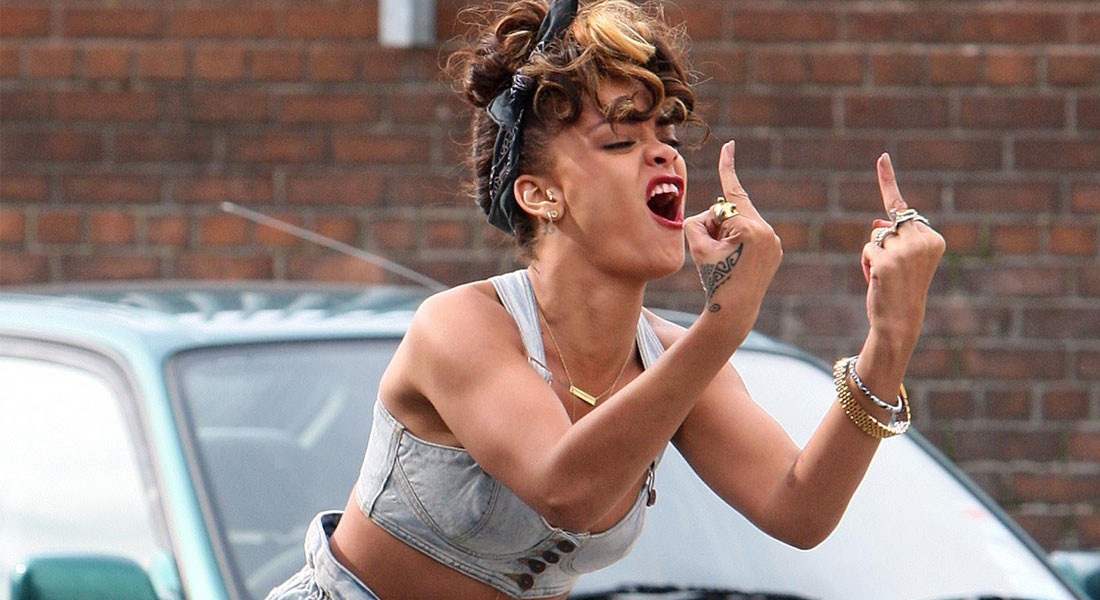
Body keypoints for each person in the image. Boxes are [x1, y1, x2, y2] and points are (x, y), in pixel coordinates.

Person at [265, 0, 946, 599]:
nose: (664, 155)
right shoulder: (460, 327)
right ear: (540, 194)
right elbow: (566, 491)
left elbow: (798, 510)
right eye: (621, 140)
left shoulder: (672, 356)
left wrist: (888, 344)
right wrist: (724, 323)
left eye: (668, 137)